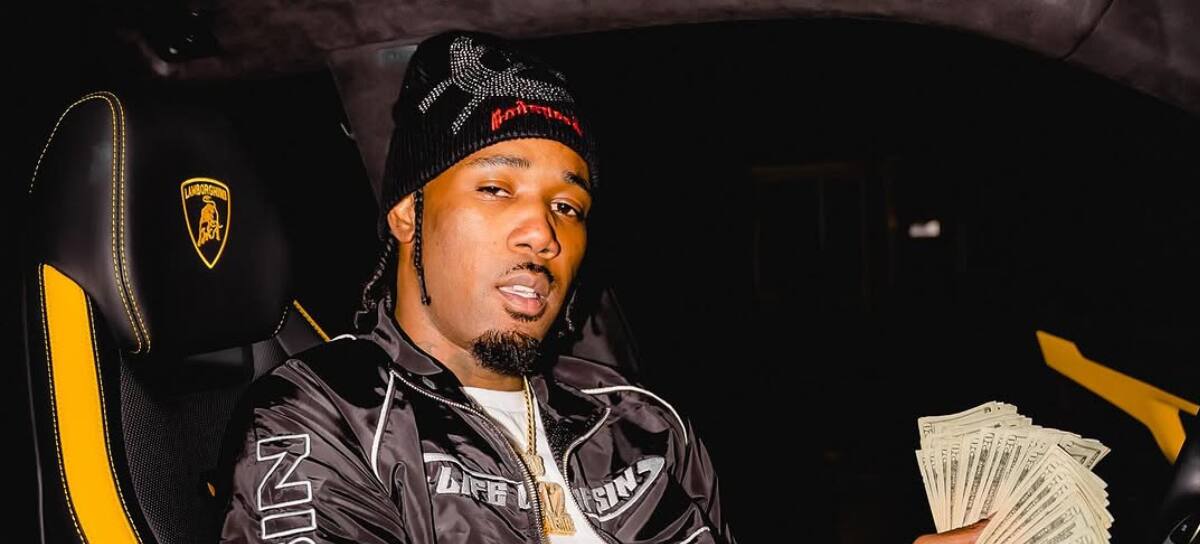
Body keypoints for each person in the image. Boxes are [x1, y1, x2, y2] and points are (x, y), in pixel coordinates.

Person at [218, 30, 733, 543]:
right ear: (408, 214)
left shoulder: (643, 423)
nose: (543, 234)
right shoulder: (324, 417)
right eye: (495, 189)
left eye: (566, 206)